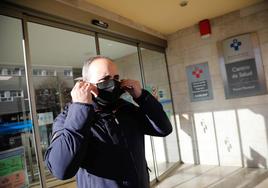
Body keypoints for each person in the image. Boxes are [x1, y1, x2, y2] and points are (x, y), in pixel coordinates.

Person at [45, 56, 173, 188]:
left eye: (116, 78)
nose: (112, 84)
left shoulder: (126, 108)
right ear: (85, 84)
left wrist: (143, 97)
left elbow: (164, 129)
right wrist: (79, 109)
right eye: (104, 79)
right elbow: (61, 170)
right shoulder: (69, 118)